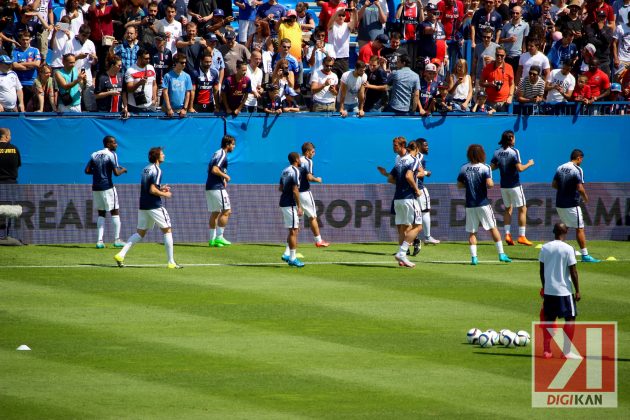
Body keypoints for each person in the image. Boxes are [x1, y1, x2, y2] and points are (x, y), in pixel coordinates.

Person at [114, 147, 181, 269]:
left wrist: (161, 188)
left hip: (143, 205)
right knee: (167, 230)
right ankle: (171, 262)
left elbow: (151, 187)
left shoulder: (146, 168)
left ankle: (120, 254)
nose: (164, 155)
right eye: (162, 154)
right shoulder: (157, 170)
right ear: (157, 157)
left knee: (140, 233)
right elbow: (152, 190)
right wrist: (165, 194)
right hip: (154, 205)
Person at [457, 144, 511, 265]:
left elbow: (459, 185)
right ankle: (501, 254)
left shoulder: (464, 168)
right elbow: (490, 184)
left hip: (470, 204)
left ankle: (474, 258)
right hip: (483, 203)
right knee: (493, 228)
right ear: (481, 154)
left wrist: (470, 184)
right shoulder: (485, 167)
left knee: (472, 232)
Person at [539, 222, 581, 359]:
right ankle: (567, 351)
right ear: (566, 232)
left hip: (549, 291)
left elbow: (541, 270)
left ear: (553, 231)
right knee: (570, 319)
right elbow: (573, 271)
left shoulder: (545, 248)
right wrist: (578, 290)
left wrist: (545, 287)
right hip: (564, 292)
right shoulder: (569, 249)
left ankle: (547, 350)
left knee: (549, 320)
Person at [552, 149, 600, 263]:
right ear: (578, 158)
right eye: (581, 159)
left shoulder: (560, 167)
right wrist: (585, 198)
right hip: (572, 204)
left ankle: (558, 253)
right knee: (580, 228)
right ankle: (585, 255)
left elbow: (554, 185)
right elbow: (580, 188)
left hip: (560, 204)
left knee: (565, 228)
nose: (581, 161)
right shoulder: (577, 169)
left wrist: (564, 189)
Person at [490, 130, 534, 247]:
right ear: (510, 139)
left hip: (504, 186)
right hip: (515, 185)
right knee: (522, 209)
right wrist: (529, 163)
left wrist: (501, 164)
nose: (515, 140)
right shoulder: (514, 152)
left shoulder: (497, 152)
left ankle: (508, 234)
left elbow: (492, 167)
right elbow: (520, 168)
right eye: (514, 138)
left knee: (508, 209)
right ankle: (522, 236)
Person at [384, 139, 422, 268]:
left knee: (402, 228)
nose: (393, 147)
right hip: (408, 198)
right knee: (418, 227)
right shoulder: (413, 160)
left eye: (395, 145)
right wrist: (416, 189)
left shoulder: (399, 161)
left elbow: (390, 179)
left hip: (398, 198)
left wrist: (400, 184)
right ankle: (402, 253)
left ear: (402, 146)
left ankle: (402, 259)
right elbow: (408, 176)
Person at [85, 136, 127, 249]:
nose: (116, 144)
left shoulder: (94, 154)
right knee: (115, 211)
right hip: (107, 187)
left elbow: (87, 170)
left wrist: (98, 172)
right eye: (113, 143)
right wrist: (123, 170)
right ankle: (117, 240)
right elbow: (116, 173)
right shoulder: (111, 155)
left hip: (96, 187)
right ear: (108, 144)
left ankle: (99, 241)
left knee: (101, 213)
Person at [299, 142, 330, 248]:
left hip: (294, 193)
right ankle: (319, 241)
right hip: (304, 193)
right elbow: (309, 178)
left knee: (297, 217)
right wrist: (318, 179)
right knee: (312, 217)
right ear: (307, 152)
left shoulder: (297, 159)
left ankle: (290, 243)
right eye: (313, 151)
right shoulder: (308, 161)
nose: (314, 154)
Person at [206, 135, 235, 247]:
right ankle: (219, 237)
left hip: (210, 186)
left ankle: (212, 240)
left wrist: (222, 178)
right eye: (232, 144)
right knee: (227, 210)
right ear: (227, 145)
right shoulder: (222, 154)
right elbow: (214, 169)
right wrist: (225, 176)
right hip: (216, 187)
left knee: (216, 212)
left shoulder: (216, 153)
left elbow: (211, 169)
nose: (234, 146)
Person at [413, 139, 440, 254]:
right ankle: (427, 237)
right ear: (418, 146)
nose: (427, 147)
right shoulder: (419, 157)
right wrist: (425, 173)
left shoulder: (412, 156)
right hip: (418, 188)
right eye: (425, 145)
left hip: (411, 189)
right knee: (425, 211)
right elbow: (414, 173)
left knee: (413, 215)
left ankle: (411, 238)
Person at [279, 152, 305, 268]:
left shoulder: (285, 170)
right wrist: (299, 206)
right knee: (294, 231)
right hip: (290, 203)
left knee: (294, 229)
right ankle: (293, 258)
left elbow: (280, 188)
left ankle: (286, 254)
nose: (300, 160)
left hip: (284, 202)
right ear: (296, 159)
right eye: (299, 158)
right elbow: (295, 190)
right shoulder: (295, 171)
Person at [480, 46, 514, 111]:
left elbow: (512, 84)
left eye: (502, 55)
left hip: (504, 102)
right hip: (490, 101)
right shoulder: (488, 67)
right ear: (495, 55)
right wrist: (489, 84)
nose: (499, 57)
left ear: (505, 56)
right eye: (497, 55)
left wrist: (510, 96)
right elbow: (481, 83)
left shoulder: (509, 67)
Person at [125, 49, 157, 113]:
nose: (148, 60)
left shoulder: (151, 68)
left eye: (149, 58)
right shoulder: (130, 70)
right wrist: (139, 83)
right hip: (135, 107)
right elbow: (129, 89)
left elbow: (154, 84)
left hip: (149, 105)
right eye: (146, 59)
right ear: (139, 58)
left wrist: (155, 98)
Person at [162, 53, 193, 117]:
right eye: (182, 62)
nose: (184, 64)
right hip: (167, 109)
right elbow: (165, 92)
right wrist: (169, 108)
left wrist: (185, 108)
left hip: (181, 110)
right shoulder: (167, 76)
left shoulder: (187, 76)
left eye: (185, 62)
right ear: (176, 62)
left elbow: (188, 93)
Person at [499, 5, 529, 71]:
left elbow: (524, 41)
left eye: (517, 13)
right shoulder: (506, 26)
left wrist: (524, 54)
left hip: (518, 56)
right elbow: (500, 40)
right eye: (513, 13)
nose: (515, 15)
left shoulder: (525, 25)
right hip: (506, 55)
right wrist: (508, 39)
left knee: (516, 76)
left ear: (521, 13)